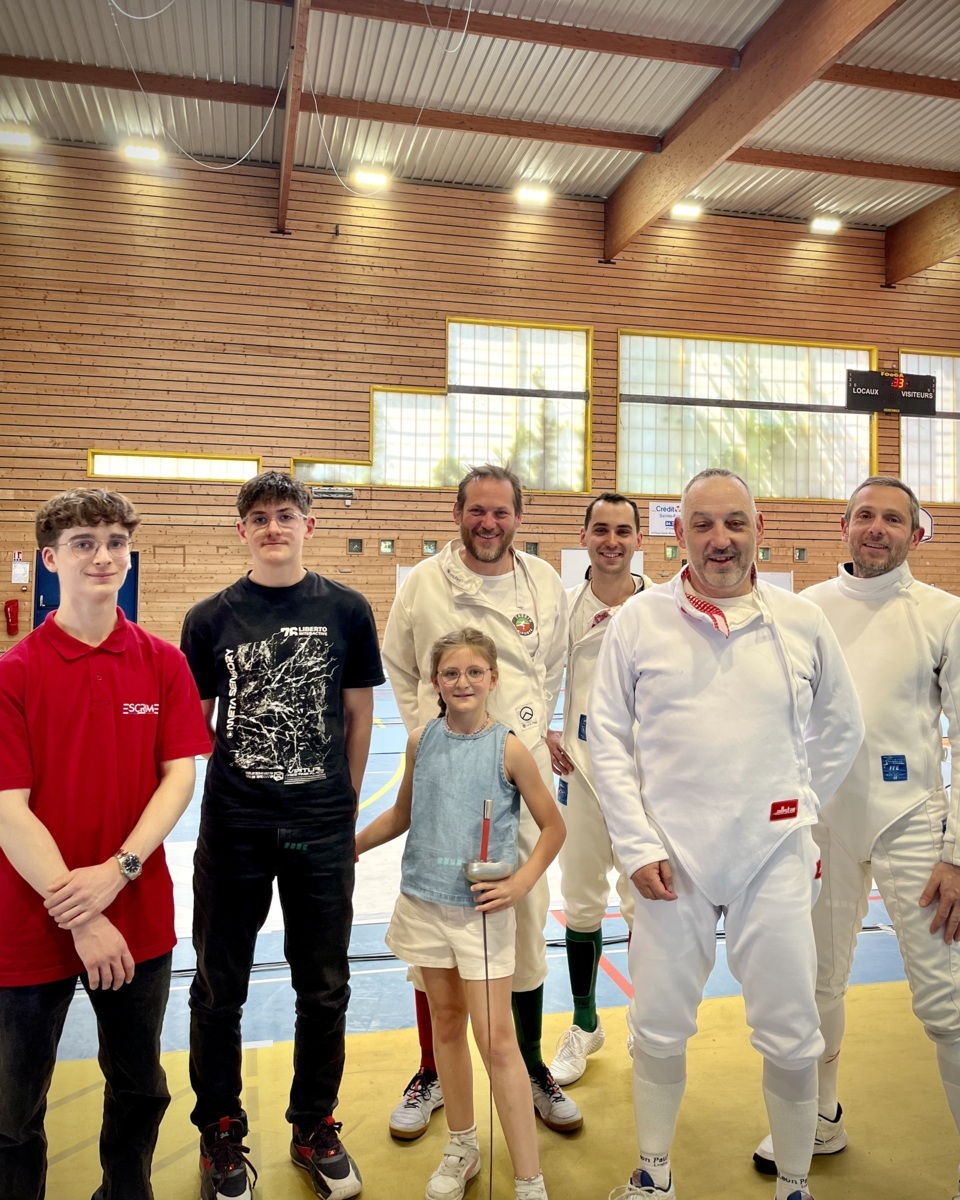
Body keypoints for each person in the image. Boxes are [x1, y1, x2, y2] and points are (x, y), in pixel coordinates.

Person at [588, 468, 864, 1200]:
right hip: (669, 860)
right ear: (677, 533)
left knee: (791, 1023)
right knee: (657, 1021)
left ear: (759, 529)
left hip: (773, 854)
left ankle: (796, 1181)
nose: (720, 539)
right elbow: (607, 740)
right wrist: (638, 841)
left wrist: (800, 805)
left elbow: (841, 726)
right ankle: (653, 1173)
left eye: (734, 523)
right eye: (702, 524)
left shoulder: (799, 620)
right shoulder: (639, 621)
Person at [751, 476, 960, 1198]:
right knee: (816, 983)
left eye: (893, 519)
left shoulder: (944, 615)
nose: (877, 528)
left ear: (915, 533)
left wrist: (956, 853)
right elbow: (775, 722)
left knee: (947, 1002)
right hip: (824, 825)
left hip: (914, 824)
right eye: (865, 516)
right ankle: (820, 1118)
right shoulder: (802, 611)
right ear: (844, 526)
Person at [0, 488, 209, 1200]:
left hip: (138, 916)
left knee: (140, 1088)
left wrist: (117, 876)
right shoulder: (14, 673)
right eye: (84, 542)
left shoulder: (162, 663)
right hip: (28, 926)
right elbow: (8, 811)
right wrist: (82, 914)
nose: (103, 554)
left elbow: (178, 779)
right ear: (51, 560)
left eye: (116, 541)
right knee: (10, 1114)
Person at [180, 471, 384, 1200]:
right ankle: (221, 1132)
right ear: (242, 531)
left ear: (308, 526)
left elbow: (359, 714)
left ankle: (313, 1124)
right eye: (260, 518)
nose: (273, 527)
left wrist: (345, 804)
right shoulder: (209, 619)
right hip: (234, 829)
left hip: (319, 830)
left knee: (323, 986)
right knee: (217, 988)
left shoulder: (348, 610)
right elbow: (194, 727)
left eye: (286, 516)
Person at [382, 464, 580, 1138]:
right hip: (444, 782)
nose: (489, 523)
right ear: (458, 512)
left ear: (518, 518)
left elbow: (550, 665)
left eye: (501, 512)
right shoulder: (423, 586)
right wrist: (426, 740)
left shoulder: (545, 584)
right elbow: (402, 667)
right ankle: (431, 1071)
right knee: (434, 938)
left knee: (521, 929)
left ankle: (527, 1065)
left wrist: (529, 730)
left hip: (512, 777)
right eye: (477, 511)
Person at [358, 628, 566, 1200]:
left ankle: (529, 1178)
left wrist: (520, 883)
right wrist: (349, 846)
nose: (463, 682)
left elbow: (554, 827)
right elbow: (401, 815)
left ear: (493, 679)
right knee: (446, 1027)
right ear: (435, 684)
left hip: (479, 912)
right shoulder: (421, 741)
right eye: (451, 674)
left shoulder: (510, 748)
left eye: (475, 672)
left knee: (498, 1042)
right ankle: (462, 1145)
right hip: (425, 904)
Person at [545, 493, 652, 1086]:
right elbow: (539, 680)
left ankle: (646, 1016)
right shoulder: (564, 609)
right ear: (583, 536)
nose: (612, 540)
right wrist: (548, 730)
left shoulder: (665, 606)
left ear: (639, 539)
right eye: (601, 530)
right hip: (581, 775)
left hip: (648, 780)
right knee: (582, 900)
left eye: (623, 531)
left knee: (646, 904)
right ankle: (586, 1022)